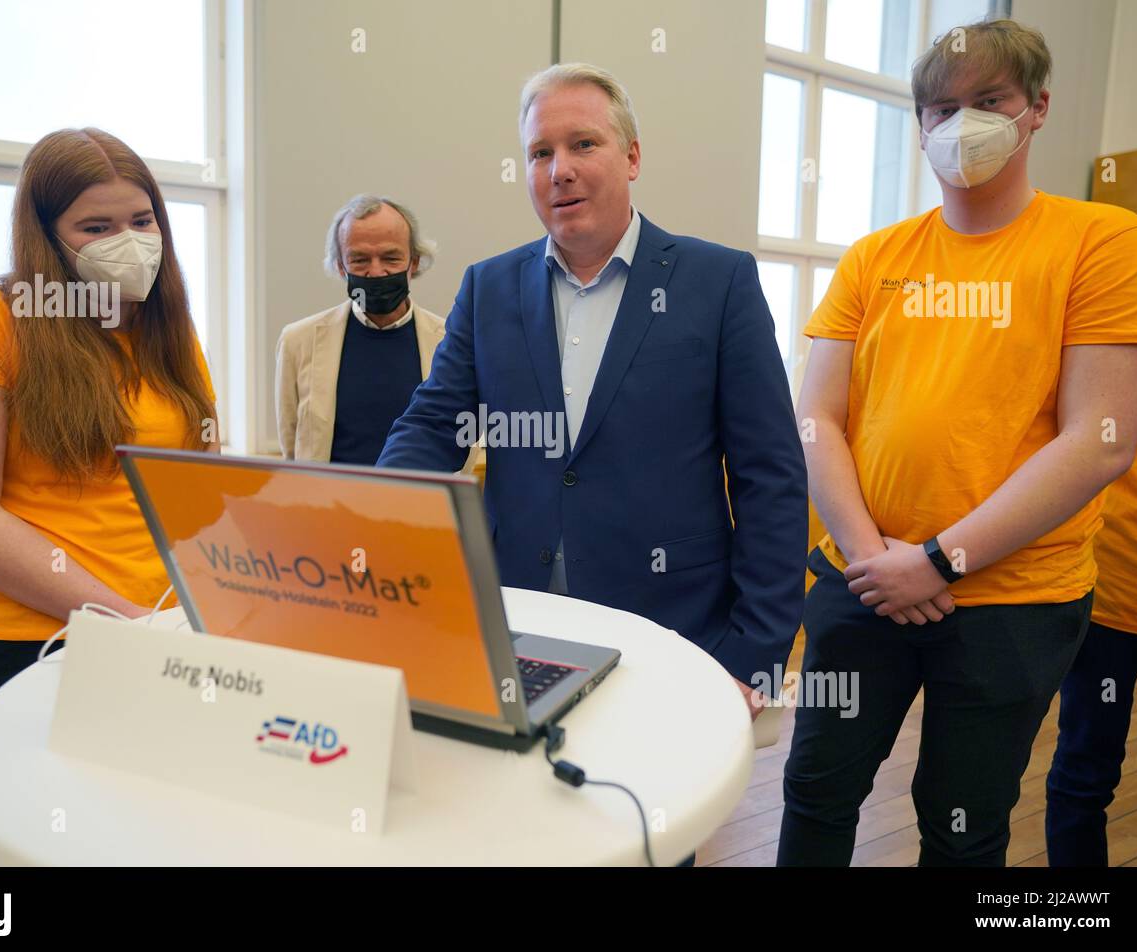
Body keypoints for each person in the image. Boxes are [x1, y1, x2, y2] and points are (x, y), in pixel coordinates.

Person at [780, 19, 1137, 866]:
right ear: (919, 126)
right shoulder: (876, 256)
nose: (962, 126)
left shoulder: (1100, 241)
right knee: (815, 791)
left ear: (1037, 110)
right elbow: (817, 419)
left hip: (1013, 600)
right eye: (942, 108)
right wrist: (875, 556)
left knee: (961, 823)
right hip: (861, 579)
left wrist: (940, 559)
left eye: (988, 101)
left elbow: (1099, 441)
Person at [377, 63, 808, 724]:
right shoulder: (488, 287)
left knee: (661, 826)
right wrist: (369, 513)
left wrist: (755, 656)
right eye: (540, 153)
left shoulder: (718, 283)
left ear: (631, 157)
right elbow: (436, 424)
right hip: (517, 628)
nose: (560, 170)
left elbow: (770, 477)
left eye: (583, 144)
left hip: (674, 637)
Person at [0, 128, 218, 737]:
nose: (128, 242)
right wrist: (125, 621)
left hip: (162, 626)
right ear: (47, 237)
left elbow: (198, 481)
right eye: (95, 228)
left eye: (142, 220)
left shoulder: (170, 333)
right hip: (29, 638)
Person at [1046, 376, 1137, 866]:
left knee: (1081, 773)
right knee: (1083, 773)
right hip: (1111, 587)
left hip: (1111, 581)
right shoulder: (1118, 310)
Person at [275, 195, 476, 471]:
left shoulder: (453, 341)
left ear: (414, 262)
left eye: (391, 258)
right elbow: (292, 446)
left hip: (422, 508)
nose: (376, 271)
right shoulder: (298, 341)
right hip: (329, 508)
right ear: (340, 266)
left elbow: (462, 437)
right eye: (359, 260)